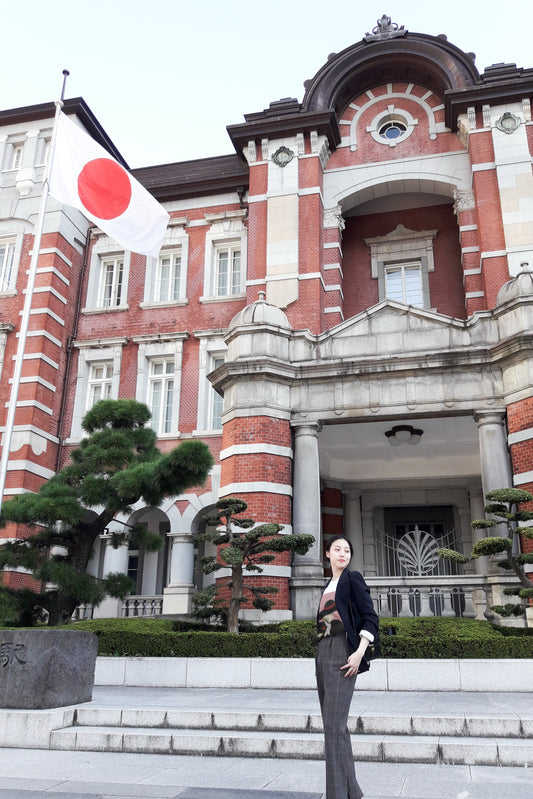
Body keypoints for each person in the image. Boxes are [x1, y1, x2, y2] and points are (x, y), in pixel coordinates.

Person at [316, 535, 380, 799]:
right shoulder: (327, 584)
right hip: (322, 652)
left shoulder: (352, 578)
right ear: (327, 554)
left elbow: (370, 617)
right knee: (334, 727)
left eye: (347, 550)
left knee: (334, 725)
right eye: (337, 549)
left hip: (343, 651)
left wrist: (359, 652)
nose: (343, 553)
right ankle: (352, 792)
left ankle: (337, 795)